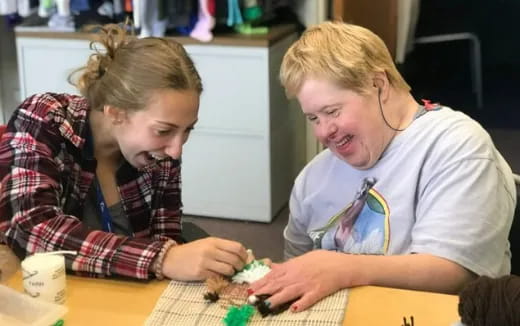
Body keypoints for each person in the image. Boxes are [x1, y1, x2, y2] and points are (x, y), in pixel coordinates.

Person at [249, 21, 516, 312]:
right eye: (313, 118)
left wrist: (342, 268)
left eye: (332, 111)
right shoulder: (312, 179)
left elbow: (453, 272)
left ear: (379, 84)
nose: (322, 133)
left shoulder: (457, 145)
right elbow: (298, 265)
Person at [0, 23, 249, 281]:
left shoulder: (159, 152)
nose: (176, 150)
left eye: (188, 130)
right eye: (164, 131)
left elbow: (166, 235)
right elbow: (29, 229)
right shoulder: (45, 118)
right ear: (116, 112)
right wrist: (161, 258)